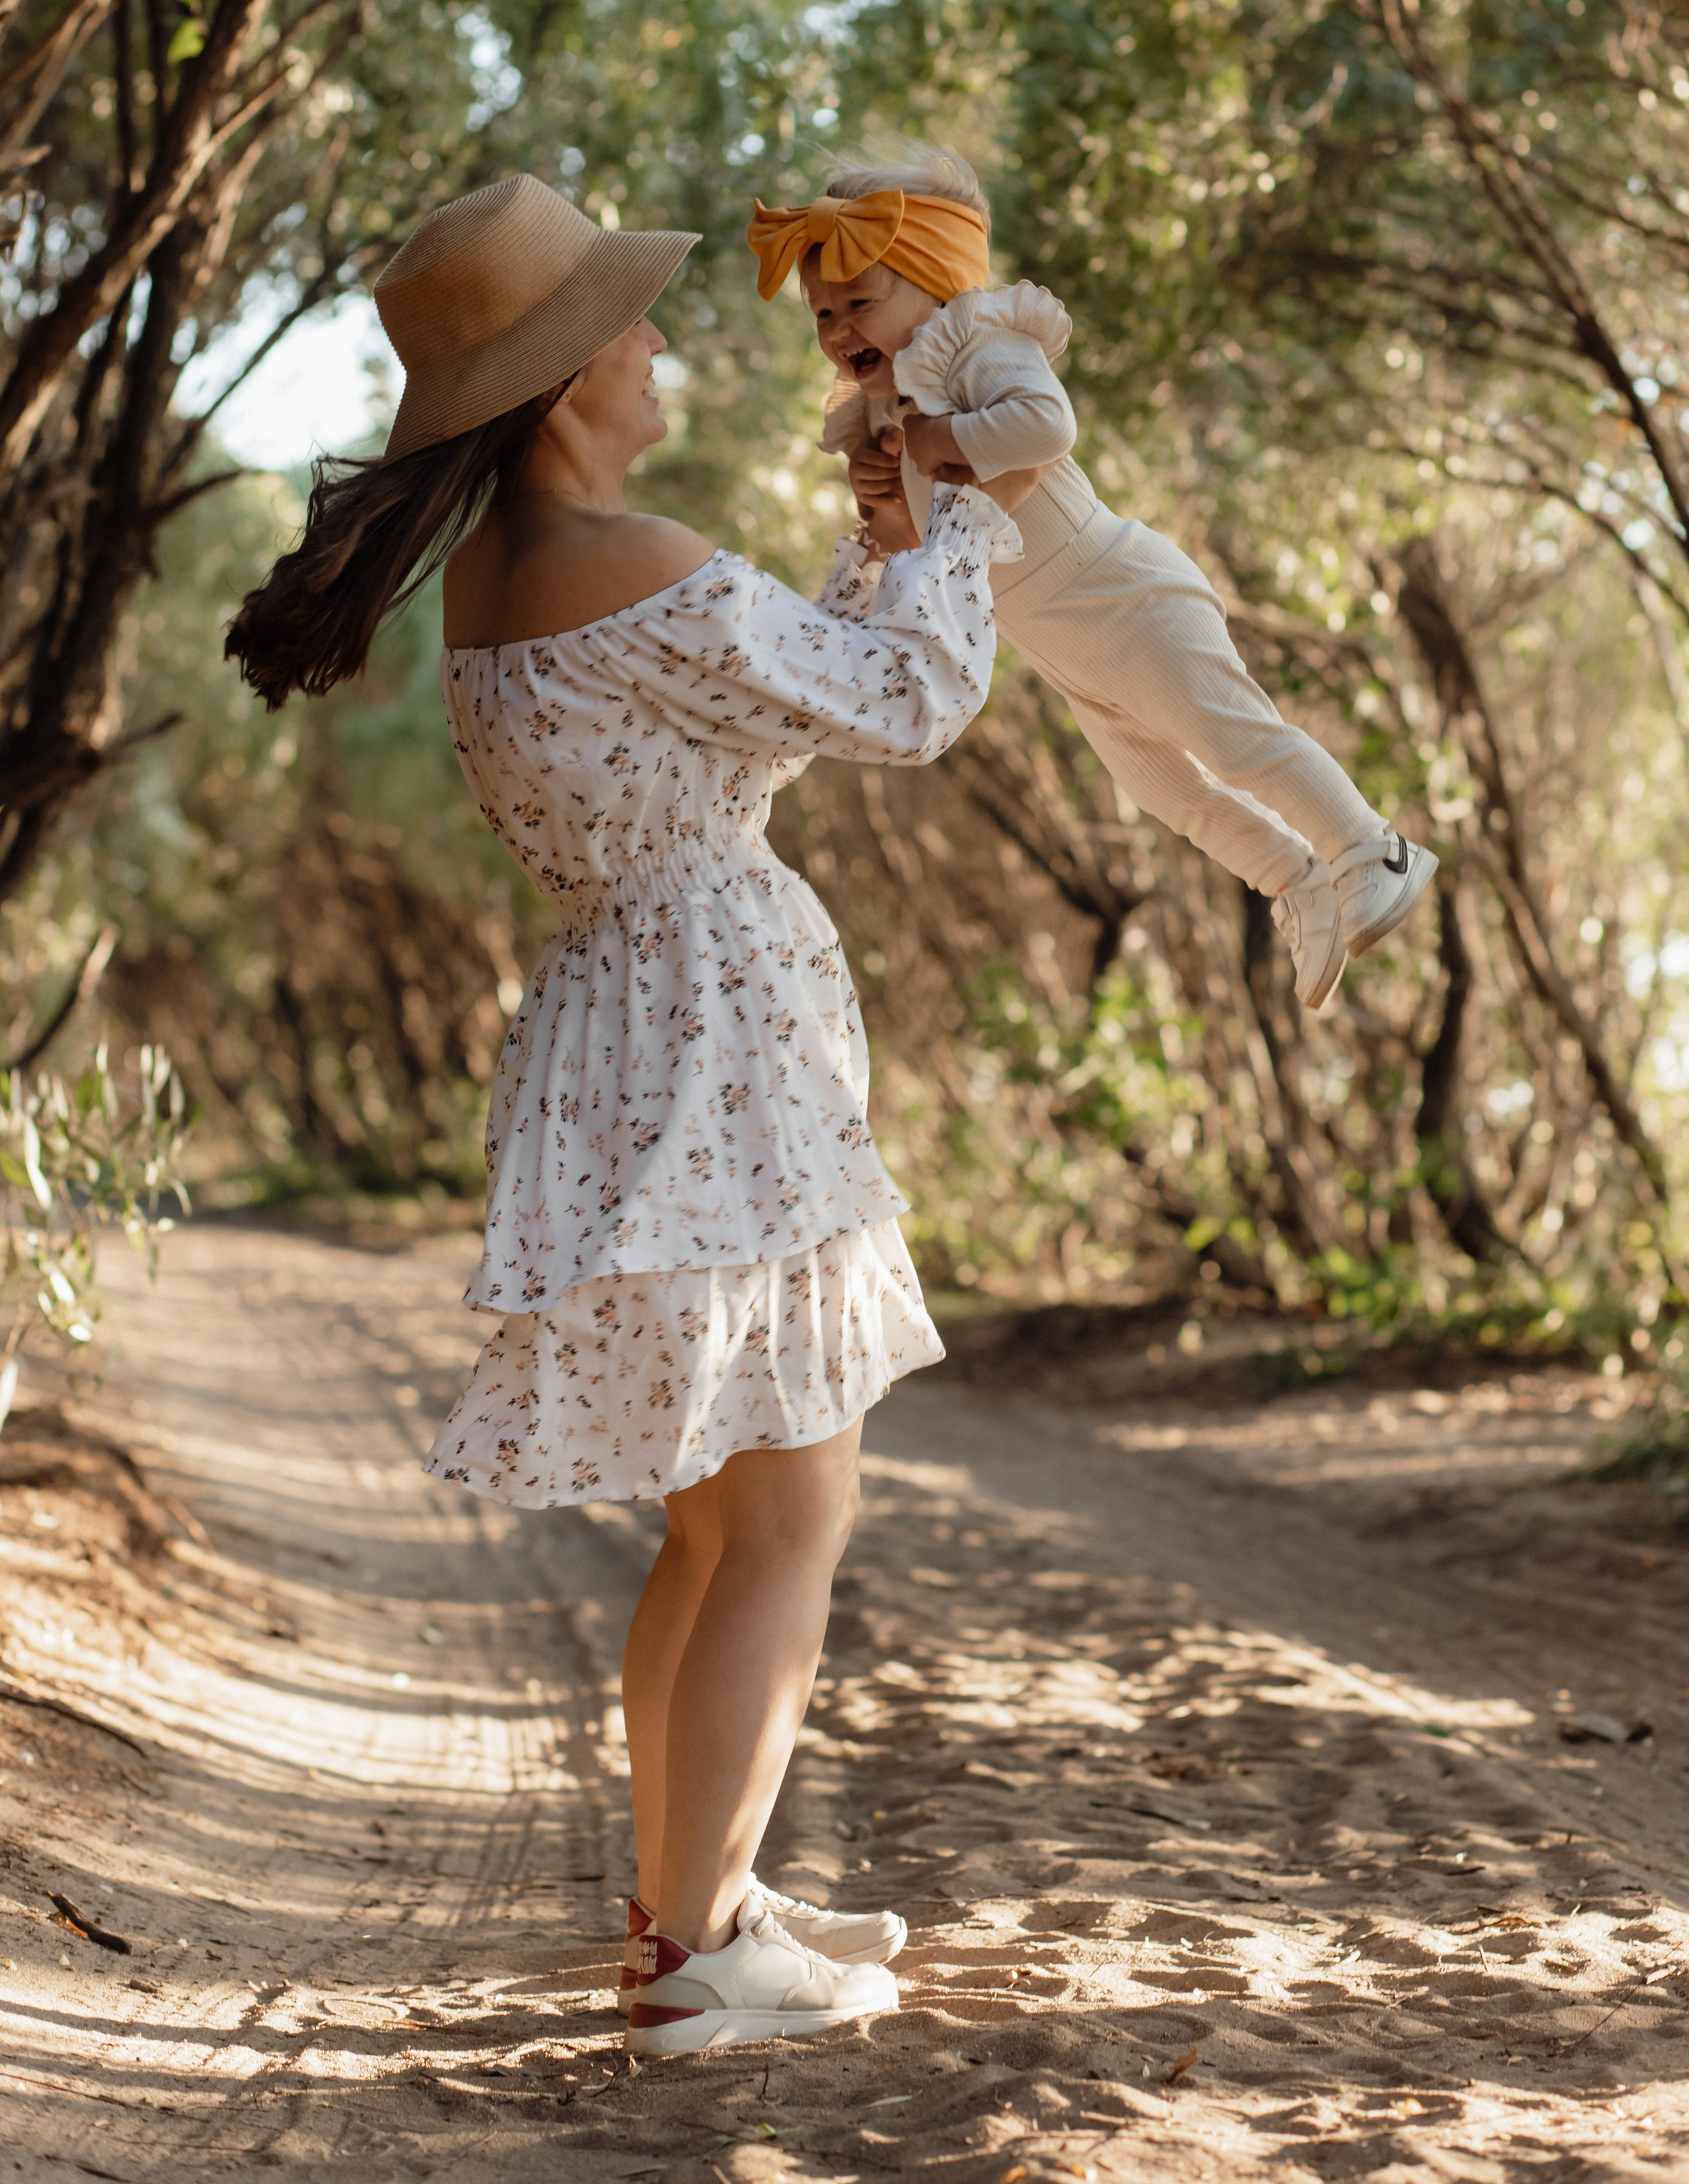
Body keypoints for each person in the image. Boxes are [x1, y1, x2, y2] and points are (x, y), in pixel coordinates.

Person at [225, 171, 1019, 2058]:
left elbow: (783, 706)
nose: (660, 339)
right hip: (711, 1035)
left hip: (633, 1027)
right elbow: (907, 701)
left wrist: (879, 530)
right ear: (576, 369)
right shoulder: (628, 553)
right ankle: (703, 1942)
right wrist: (963, 513)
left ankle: (693, 1904)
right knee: (788, 1511)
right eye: (635, 319)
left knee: (712, 1522)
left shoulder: (519, 573)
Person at [748, 149, 1436, 1010]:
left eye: (860, 303)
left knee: (1233, 738)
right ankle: (1292, 882)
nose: (840, 329)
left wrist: (937, 444)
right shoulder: (889, 405)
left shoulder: (975, 349)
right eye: (822, 314)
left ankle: (1372, 851)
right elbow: (928, 541)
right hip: (1062, 645)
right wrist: (883, 509)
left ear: (935, 285)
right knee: (1167, 793)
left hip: (1118, 589)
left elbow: (1045, 427)